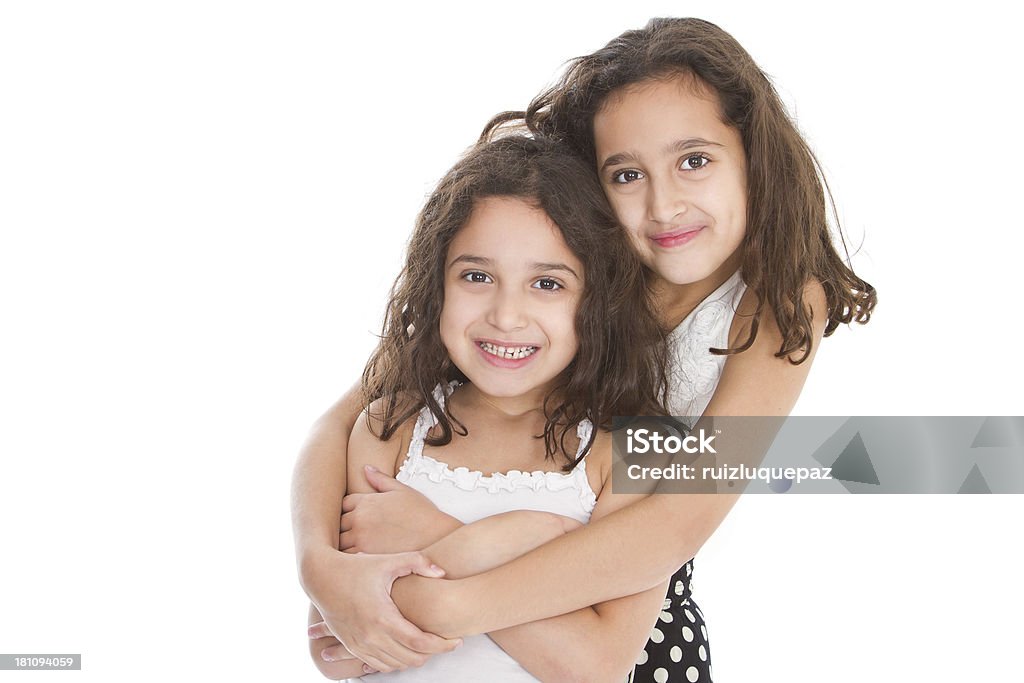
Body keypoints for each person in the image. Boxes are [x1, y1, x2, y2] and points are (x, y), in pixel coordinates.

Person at [296, 17, 877, 682]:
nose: (664, 206)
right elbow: (338, 422)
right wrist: (326, 574)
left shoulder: (777, 297)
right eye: (627, 174)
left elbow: (677, 523)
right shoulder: (575, 271)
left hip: (626, 597)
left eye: (695, 160)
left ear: (753, 154)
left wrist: (444, 586)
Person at [306, 134, 674, 681]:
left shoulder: (620, 456)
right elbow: (341, 654)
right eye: (477, 276)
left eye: (547, 283)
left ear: (595, 303)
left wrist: (436, 535)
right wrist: (515, 541)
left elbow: (594, 665)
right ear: (437, 285)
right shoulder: (392, 426)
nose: (506, 315)